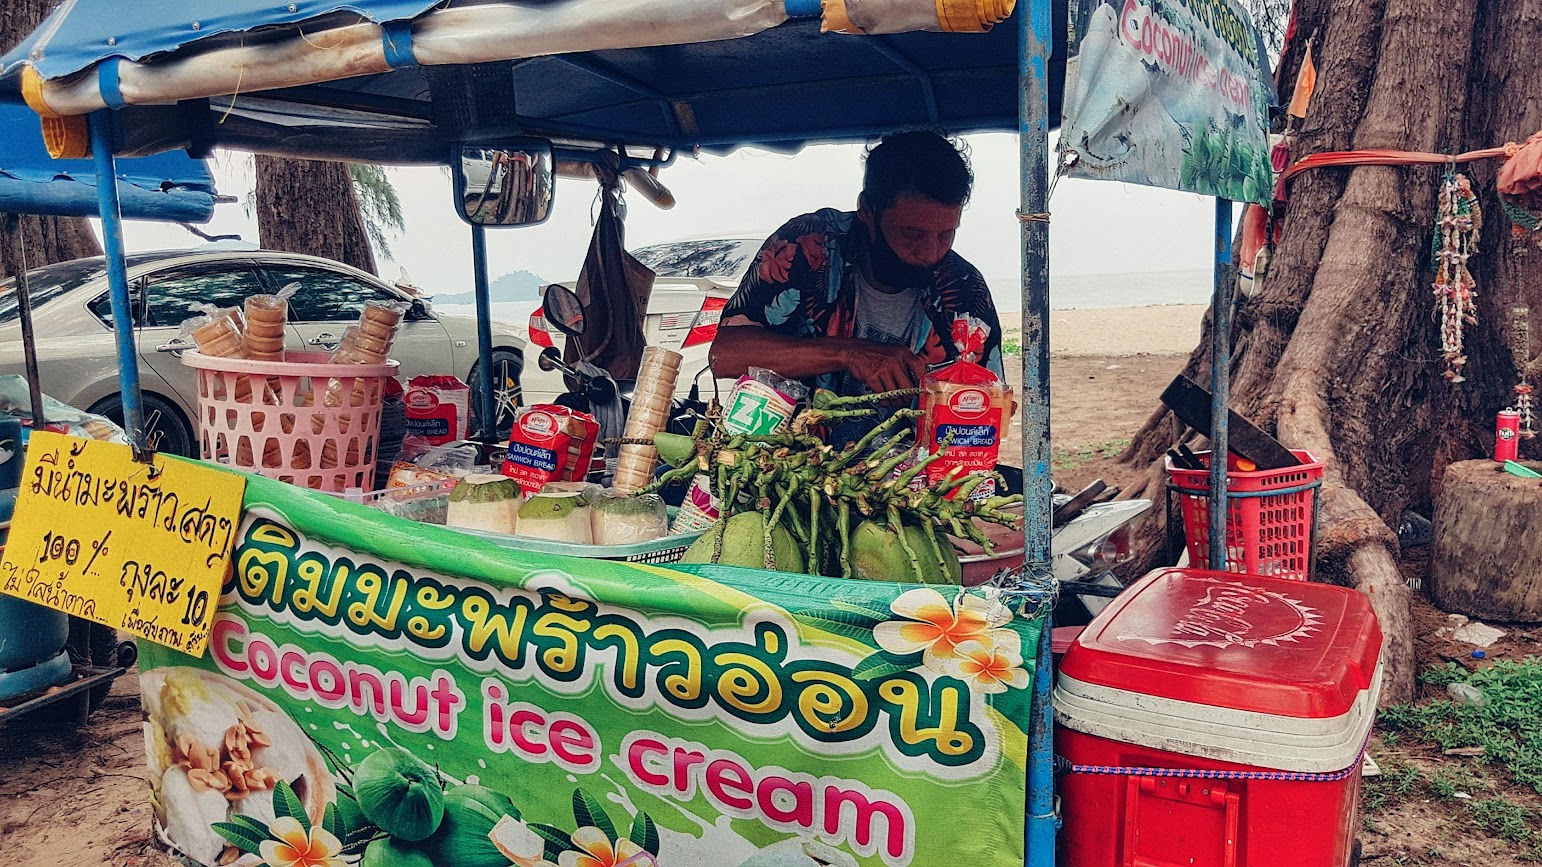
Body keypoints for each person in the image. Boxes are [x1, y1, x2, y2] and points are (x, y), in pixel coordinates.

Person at [709, 130, 1004, 443]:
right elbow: (725, 355)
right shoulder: (808, 246)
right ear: (867, 211)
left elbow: (989, 408)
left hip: (909, 483)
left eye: (946, 234)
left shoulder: (964, 288)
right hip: (785, 473)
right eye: (911, 235)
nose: (930, 254)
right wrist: (850, 354)